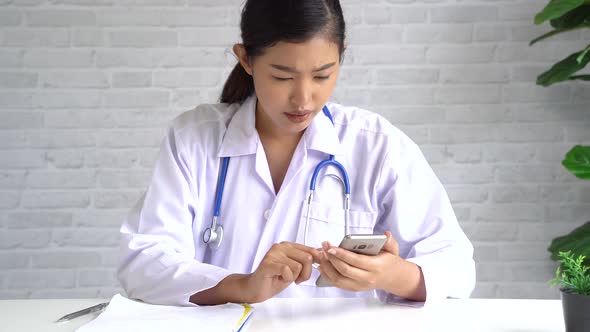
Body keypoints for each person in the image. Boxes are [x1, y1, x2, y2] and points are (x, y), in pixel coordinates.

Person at [117, 0, 475, 306]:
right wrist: (242, 286)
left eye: (322, 76)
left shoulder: (377, 145)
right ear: (246, 59)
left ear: (342, 57)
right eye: (283, 77)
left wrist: (395, 276)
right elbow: (143, 261)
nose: (304, 99)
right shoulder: (195, 138)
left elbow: (457, 266)